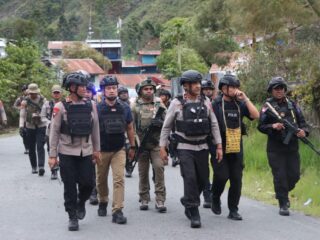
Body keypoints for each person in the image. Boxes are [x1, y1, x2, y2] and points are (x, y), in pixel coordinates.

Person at [159, 70, 222, 228]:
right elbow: (166, 127)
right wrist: (162, 148)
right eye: (194, 84)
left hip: (203, 146)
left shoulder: (206, 101)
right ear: (186, 86)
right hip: (184, 147)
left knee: (203, 179)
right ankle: (194, 210)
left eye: (198, 83)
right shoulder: (177, 103)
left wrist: (219, 145)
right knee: (190, 178)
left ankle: (188, 199)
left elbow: (213, 124)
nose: (198, 86)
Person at [48, 72, 100, 231]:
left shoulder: (91, 105)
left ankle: (80, 202)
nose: (85, 89)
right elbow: (54, 131)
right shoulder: (60, 107)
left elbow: (95, 128)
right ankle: (72, 216)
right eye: (82, 86)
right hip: (67, 152)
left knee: (88, 184)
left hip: (86, 151)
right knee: (69, 186)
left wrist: (97, 149)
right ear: (72, 88)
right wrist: (52, 155)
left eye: (86, 86)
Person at [210, 74, 259, 220]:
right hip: (219, 146)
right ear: (223, 88)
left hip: (236, 146)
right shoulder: (215, 104)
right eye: (231, 87)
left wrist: (246, 99)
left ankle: (233, 209)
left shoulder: (240, 104)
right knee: (222, 175)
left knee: (236, 179)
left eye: (235, 87)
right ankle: (215, 196)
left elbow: (256, 115)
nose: (234, 90)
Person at [258, 76, 308, 216]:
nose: (279, 91)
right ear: (271, 91)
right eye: (276, 88)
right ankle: (283, 203)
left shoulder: (293, 105)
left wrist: (304, 131)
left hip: (292, 147)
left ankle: (282, 192)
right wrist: (273, 126)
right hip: (275, 149)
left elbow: (302, 122)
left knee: (294, 175)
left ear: (285, 89)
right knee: (280, 176)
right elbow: (260, 126)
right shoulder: (267, 107)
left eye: (281, 88)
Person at [96, 76, 135, 224]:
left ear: (117, 89)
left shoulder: (124, 107)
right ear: (104, 91)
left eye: (114, 88)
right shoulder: (97, 108)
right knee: (100, 179)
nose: (112, 91)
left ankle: (117, 210)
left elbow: (130, 127)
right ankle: (103, 200)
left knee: (119, 179)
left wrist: (132, 146)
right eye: (108, 88)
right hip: (102, 150)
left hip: (119, 149)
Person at [131, 77, 167, 213]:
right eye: (146, 89)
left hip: (157, 143)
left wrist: (160, 123)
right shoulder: (135, 106)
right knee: (143, 172)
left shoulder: (159, 104)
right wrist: (134, 144)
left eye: (151, 89)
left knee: (159, 168)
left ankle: (160, 199)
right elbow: (131, 126)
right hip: (142, 144)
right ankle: (144, 197)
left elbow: (168, 122)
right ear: (141, 91)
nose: (149, 91)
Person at [19, 83, 47, 175]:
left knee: (40, 146)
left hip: (41, 125)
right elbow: (22, 115)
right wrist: (21, 126)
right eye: (31, 93)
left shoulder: (43, 100)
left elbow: (47, 113)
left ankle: (41, 166)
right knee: (31, 148)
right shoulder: (25, 102)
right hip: (30, 126)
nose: (32, 95)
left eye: (34, 93)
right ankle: (34, 166)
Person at [41, 85, 63, 180]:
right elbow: (42, 117)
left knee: (63, 152)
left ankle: (64, 171)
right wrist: (49, 123)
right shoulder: (47, 104)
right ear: (52, 93)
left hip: (63, 132)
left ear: (61, 93)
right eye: (55, 92)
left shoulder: (65, 103)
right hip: (50, 132)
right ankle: (53, 171)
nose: (56, 94)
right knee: (51, 151)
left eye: (58, 92)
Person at [200, 79, 216, 209]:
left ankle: (214, 194)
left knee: (219, 169)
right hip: (202, 140)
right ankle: (206, 195)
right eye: (205, 89)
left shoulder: (217, 103)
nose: (208, 92)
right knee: (203, 169)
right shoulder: (199, 103)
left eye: (210, 89)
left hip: (215, 140)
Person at [85, 81, 99, 205]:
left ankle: (93, 192)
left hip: (92, 142)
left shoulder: (96, 106)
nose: (86, 94)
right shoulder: (70, 105)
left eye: (88, 92)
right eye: (84, 91)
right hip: (76, 144)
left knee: (92, 168)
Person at [117, 86, 134, 178]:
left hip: (132, 130)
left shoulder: (133, 104)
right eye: (121, 93)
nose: (124, 94)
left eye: (125, 92)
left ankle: (130, 165)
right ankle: (128, 167)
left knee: (133, 148)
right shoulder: (118, 105)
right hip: (123, 130)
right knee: (127, 149)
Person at [14, 84, 29, 154]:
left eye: (27, 89)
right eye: (24, 90)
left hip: (32, 119)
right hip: (23, 119)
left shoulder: (32, 97)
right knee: (23, 133)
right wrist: (20, 108)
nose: (26, 91)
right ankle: (26, 147)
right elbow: (15, 106)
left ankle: (31, 147)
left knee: (31, 134)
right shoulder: (20, 99)